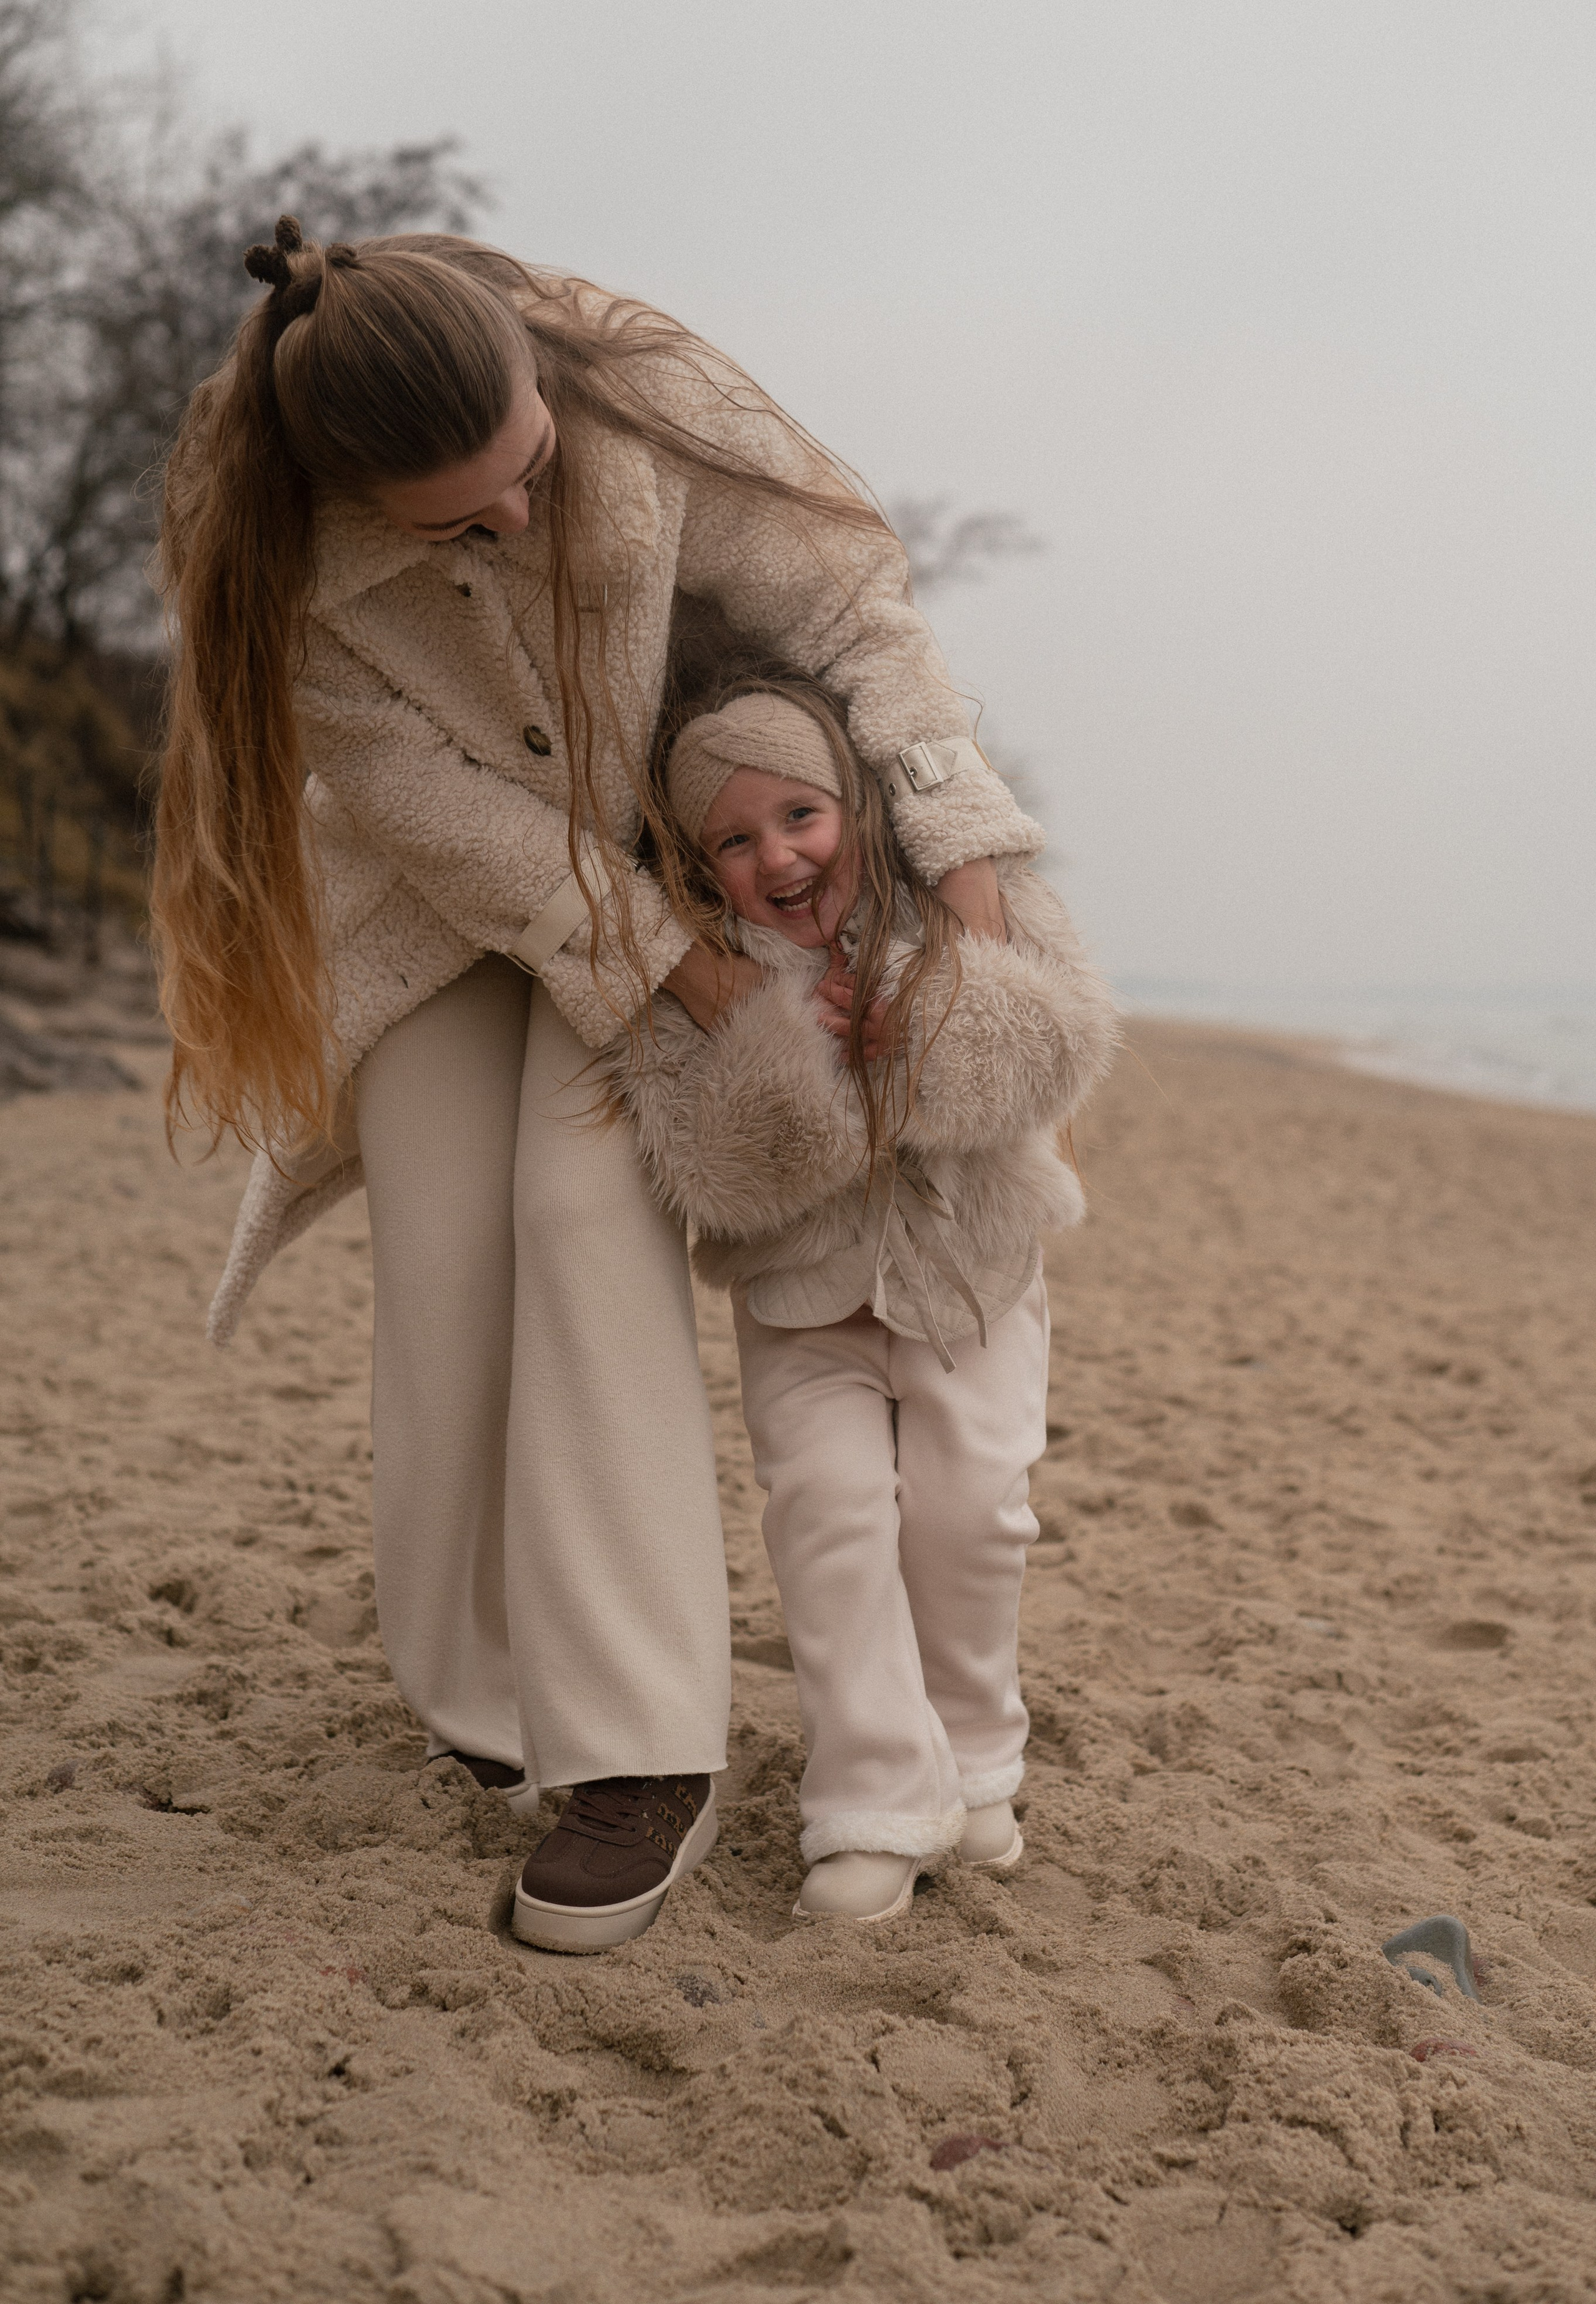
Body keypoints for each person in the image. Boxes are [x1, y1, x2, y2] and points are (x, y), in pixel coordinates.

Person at [151, 218, 1046, 1953]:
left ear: (541, 390)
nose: (511, 519)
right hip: (441, 907)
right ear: (350, 497)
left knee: (581, 1210)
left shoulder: (635, 404)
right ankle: (475, 1676)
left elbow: (852, 606)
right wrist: (668, 962)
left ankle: (639, 1750)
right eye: (454, 515)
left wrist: (954, 834)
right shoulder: (284, 565)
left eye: (527, 475)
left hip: (643, 863)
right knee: (443, 1255)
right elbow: (446, 821)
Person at [606, 676, 1118, 1923]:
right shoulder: (702, 980)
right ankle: (872, 1801)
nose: (777, 856)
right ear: (701, 863)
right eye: (735, 839)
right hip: (802, 1304)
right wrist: (799, 1047)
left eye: (799, 815)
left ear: (850, 803)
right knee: (830, 1521)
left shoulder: (955, 908)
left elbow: (1061, 1046)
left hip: (971, 1278)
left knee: (969, 1513)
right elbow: (703, 1166)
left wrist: (922, 1020)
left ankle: (976, 1757)